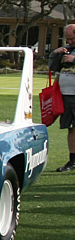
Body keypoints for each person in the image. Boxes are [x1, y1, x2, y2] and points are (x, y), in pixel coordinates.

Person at [48, 23, 75, 171]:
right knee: (71, 128)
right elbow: (53, 68)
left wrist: (73, 60)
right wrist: (56, 55)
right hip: (66, 94)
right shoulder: (68, 49)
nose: (69, 41)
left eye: (72, 38)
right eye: (68, 39)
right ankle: (72, 161)